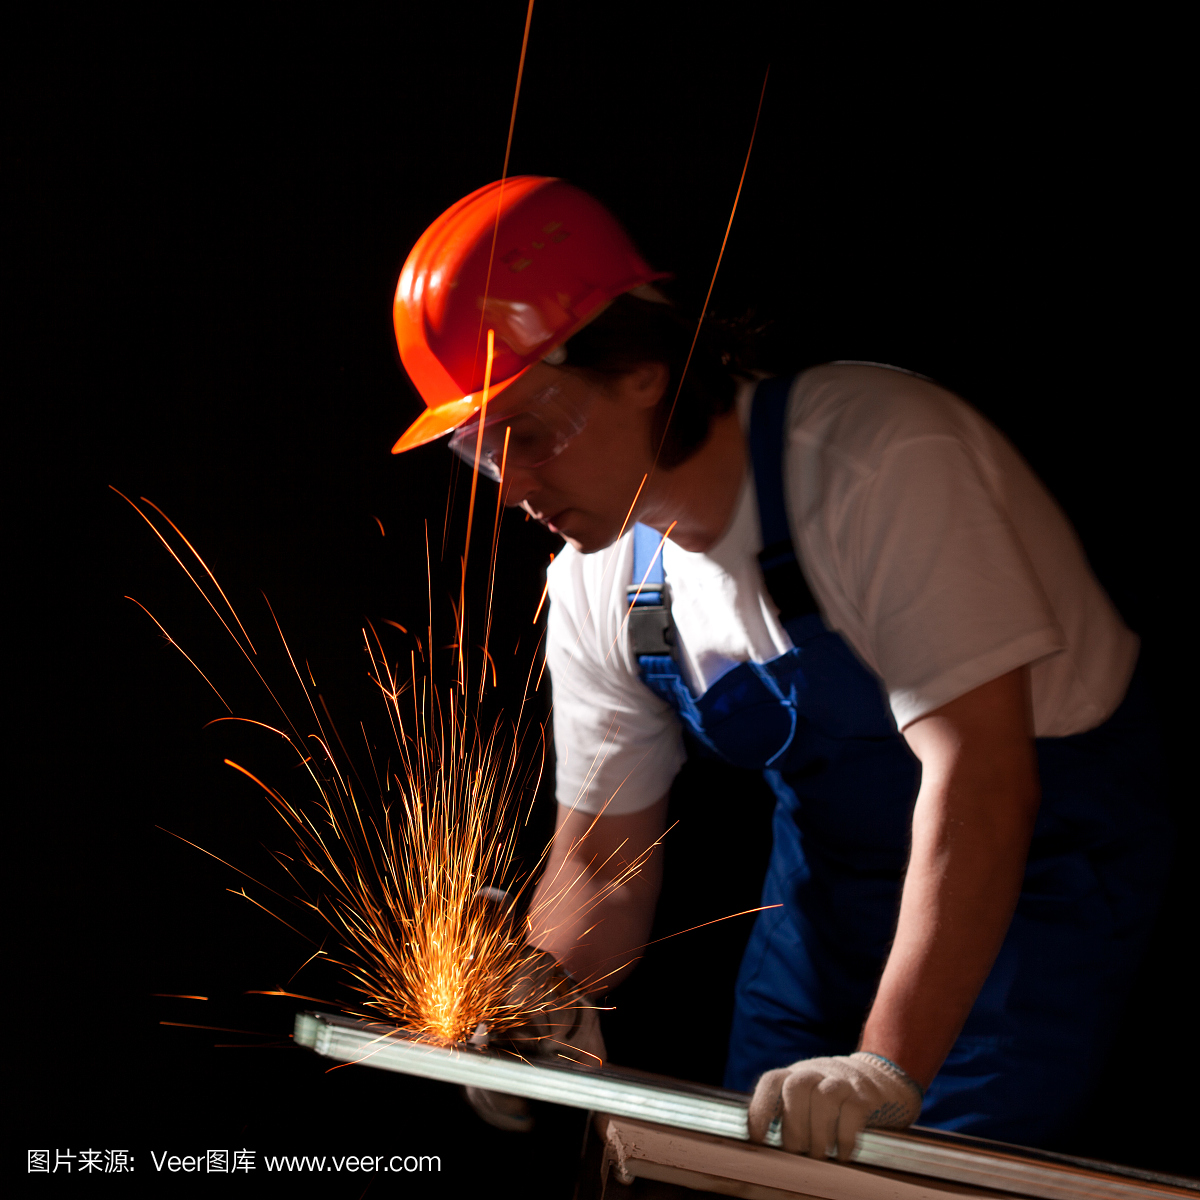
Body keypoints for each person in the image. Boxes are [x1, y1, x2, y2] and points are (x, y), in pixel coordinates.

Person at [388, 176, 1171, 1156]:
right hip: (826, 890)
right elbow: (598, 863)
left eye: (534, 436)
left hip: (1032, 873)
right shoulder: (599, 585)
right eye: (484, 454)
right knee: (741, 1174)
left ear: (641, 369)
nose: (514, 490)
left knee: (903, 1180)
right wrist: (540, 993)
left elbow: (984, 780)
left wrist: (883, 1064)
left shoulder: (876, 462)